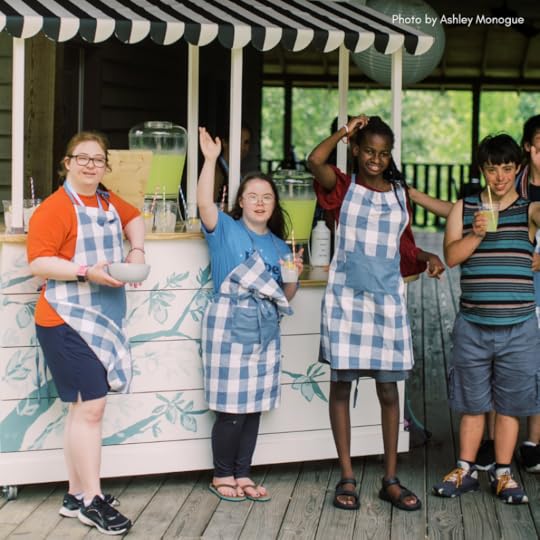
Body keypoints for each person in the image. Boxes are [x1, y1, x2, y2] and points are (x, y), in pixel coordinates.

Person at [307, 115, 445, 512]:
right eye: (368, 150)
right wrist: (343, 130)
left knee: (389, 390)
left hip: (387, 303)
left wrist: (426, 256)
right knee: (341, 386)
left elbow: (403, 249)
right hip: (346, 302)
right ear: (355, 150)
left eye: (384, 153)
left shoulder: (400, 195)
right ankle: (347, 476)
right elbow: (315, 161)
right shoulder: (342, 188)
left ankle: (390, 478)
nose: (376, 159)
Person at [27, 131, 146, 535]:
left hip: (100, 316)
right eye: (83, 158)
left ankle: (76, 493)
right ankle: (93, 502)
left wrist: (137, 251)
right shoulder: (54, 208)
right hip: (64, 319)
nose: (91, 165)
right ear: (67, 163)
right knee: (91, 407)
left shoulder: (108, 201)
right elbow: (39, 263)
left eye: (99, 159)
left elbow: (135, 219)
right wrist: (86, 271)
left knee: (82, 408)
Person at [432, 133, 540, 504]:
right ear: (482, 171)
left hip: (519, 326)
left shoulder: (529, 210)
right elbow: (451, 257)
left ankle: (504, 473)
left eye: (507, 169)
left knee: (510, 407)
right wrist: (476, 234)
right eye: (492, 169)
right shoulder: (463, 209)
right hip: (474, 325)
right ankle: (465, 469)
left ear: (518, 168)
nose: (499, 177)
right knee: (472, 403)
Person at [198, 127, 302, 502]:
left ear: (274, 204)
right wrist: (210, 160)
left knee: (254, 407)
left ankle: (244, 473)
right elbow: (205, 204)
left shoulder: (279, 245)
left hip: (264, 331)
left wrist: (293, 277)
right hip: (228, 328)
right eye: (252, 196)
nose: (259, 203)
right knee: (231, 409)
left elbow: (285, 296)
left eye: (267, 197)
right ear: (240, 201)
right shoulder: (224, 229)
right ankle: (221, 474)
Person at [515, 114, 540, 472]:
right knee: (519, 364)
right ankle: (495, 441)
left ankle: (534, 441)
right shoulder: (512, 183)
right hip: (517, 290)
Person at [213, 125, 252, 203]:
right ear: (224, 143)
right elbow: (209, 207)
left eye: (246, 142)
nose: (243, 147)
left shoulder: (233, 169)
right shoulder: (217, 171)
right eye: (238, 140)